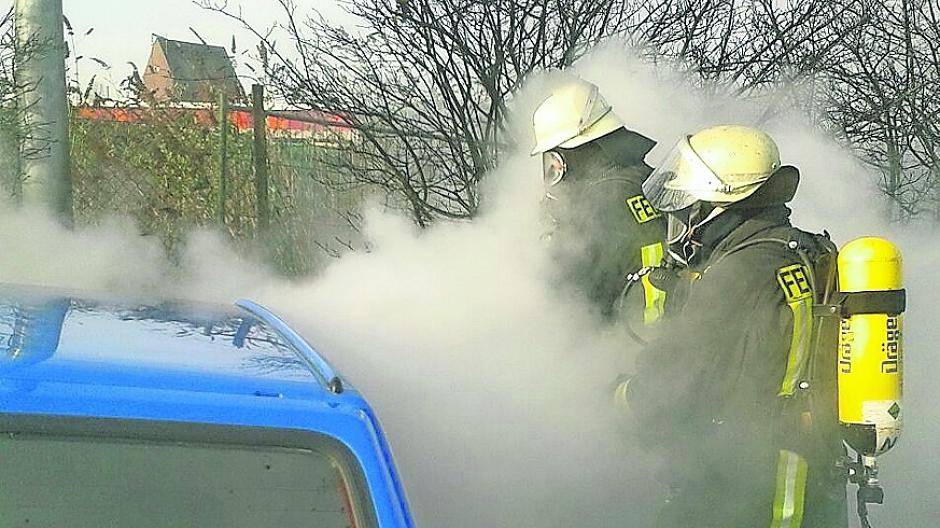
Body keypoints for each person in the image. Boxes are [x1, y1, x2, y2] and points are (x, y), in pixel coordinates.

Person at [621, 125, 847, 527]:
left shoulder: (736, 274)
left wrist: (618, 394)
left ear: (715, 205)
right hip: (811, 474)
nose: (679, 215)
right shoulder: (800, 248)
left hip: (750, 486)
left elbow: (669, 391)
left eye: (687, 204)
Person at [530, 77, 666, 322]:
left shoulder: (601, 204)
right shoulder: (645, 180)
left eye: (554, 158)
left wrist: (561, 227)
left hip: (621, 341)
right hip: (658, 332)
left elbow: (570, 296)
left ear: (576, 149)